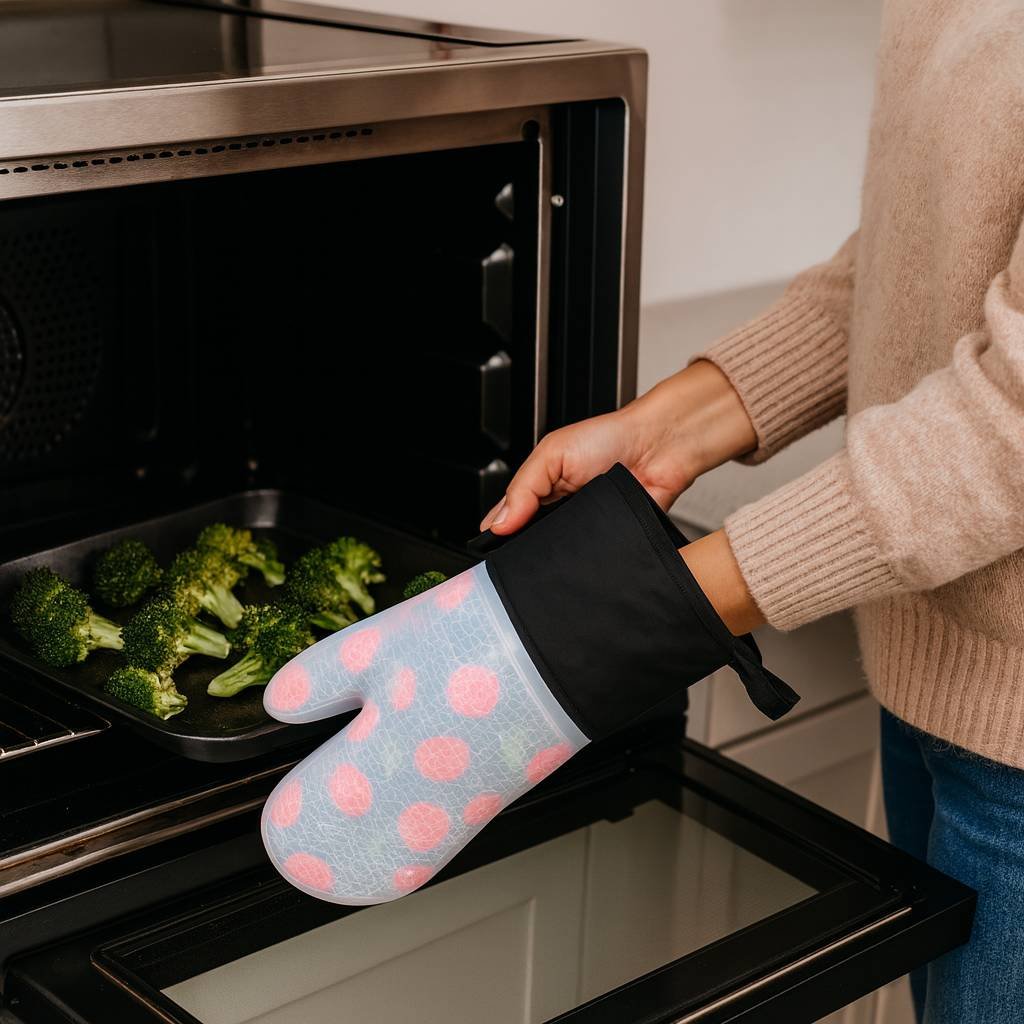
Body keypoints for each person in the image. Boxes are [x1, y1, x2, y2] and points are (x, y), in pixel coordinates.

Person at [477, 5, 1024, 1020]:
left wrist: (651, 609)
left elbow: (1012, 425)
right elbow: (919, 249)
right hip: (932, 679)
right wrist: (673, 425)